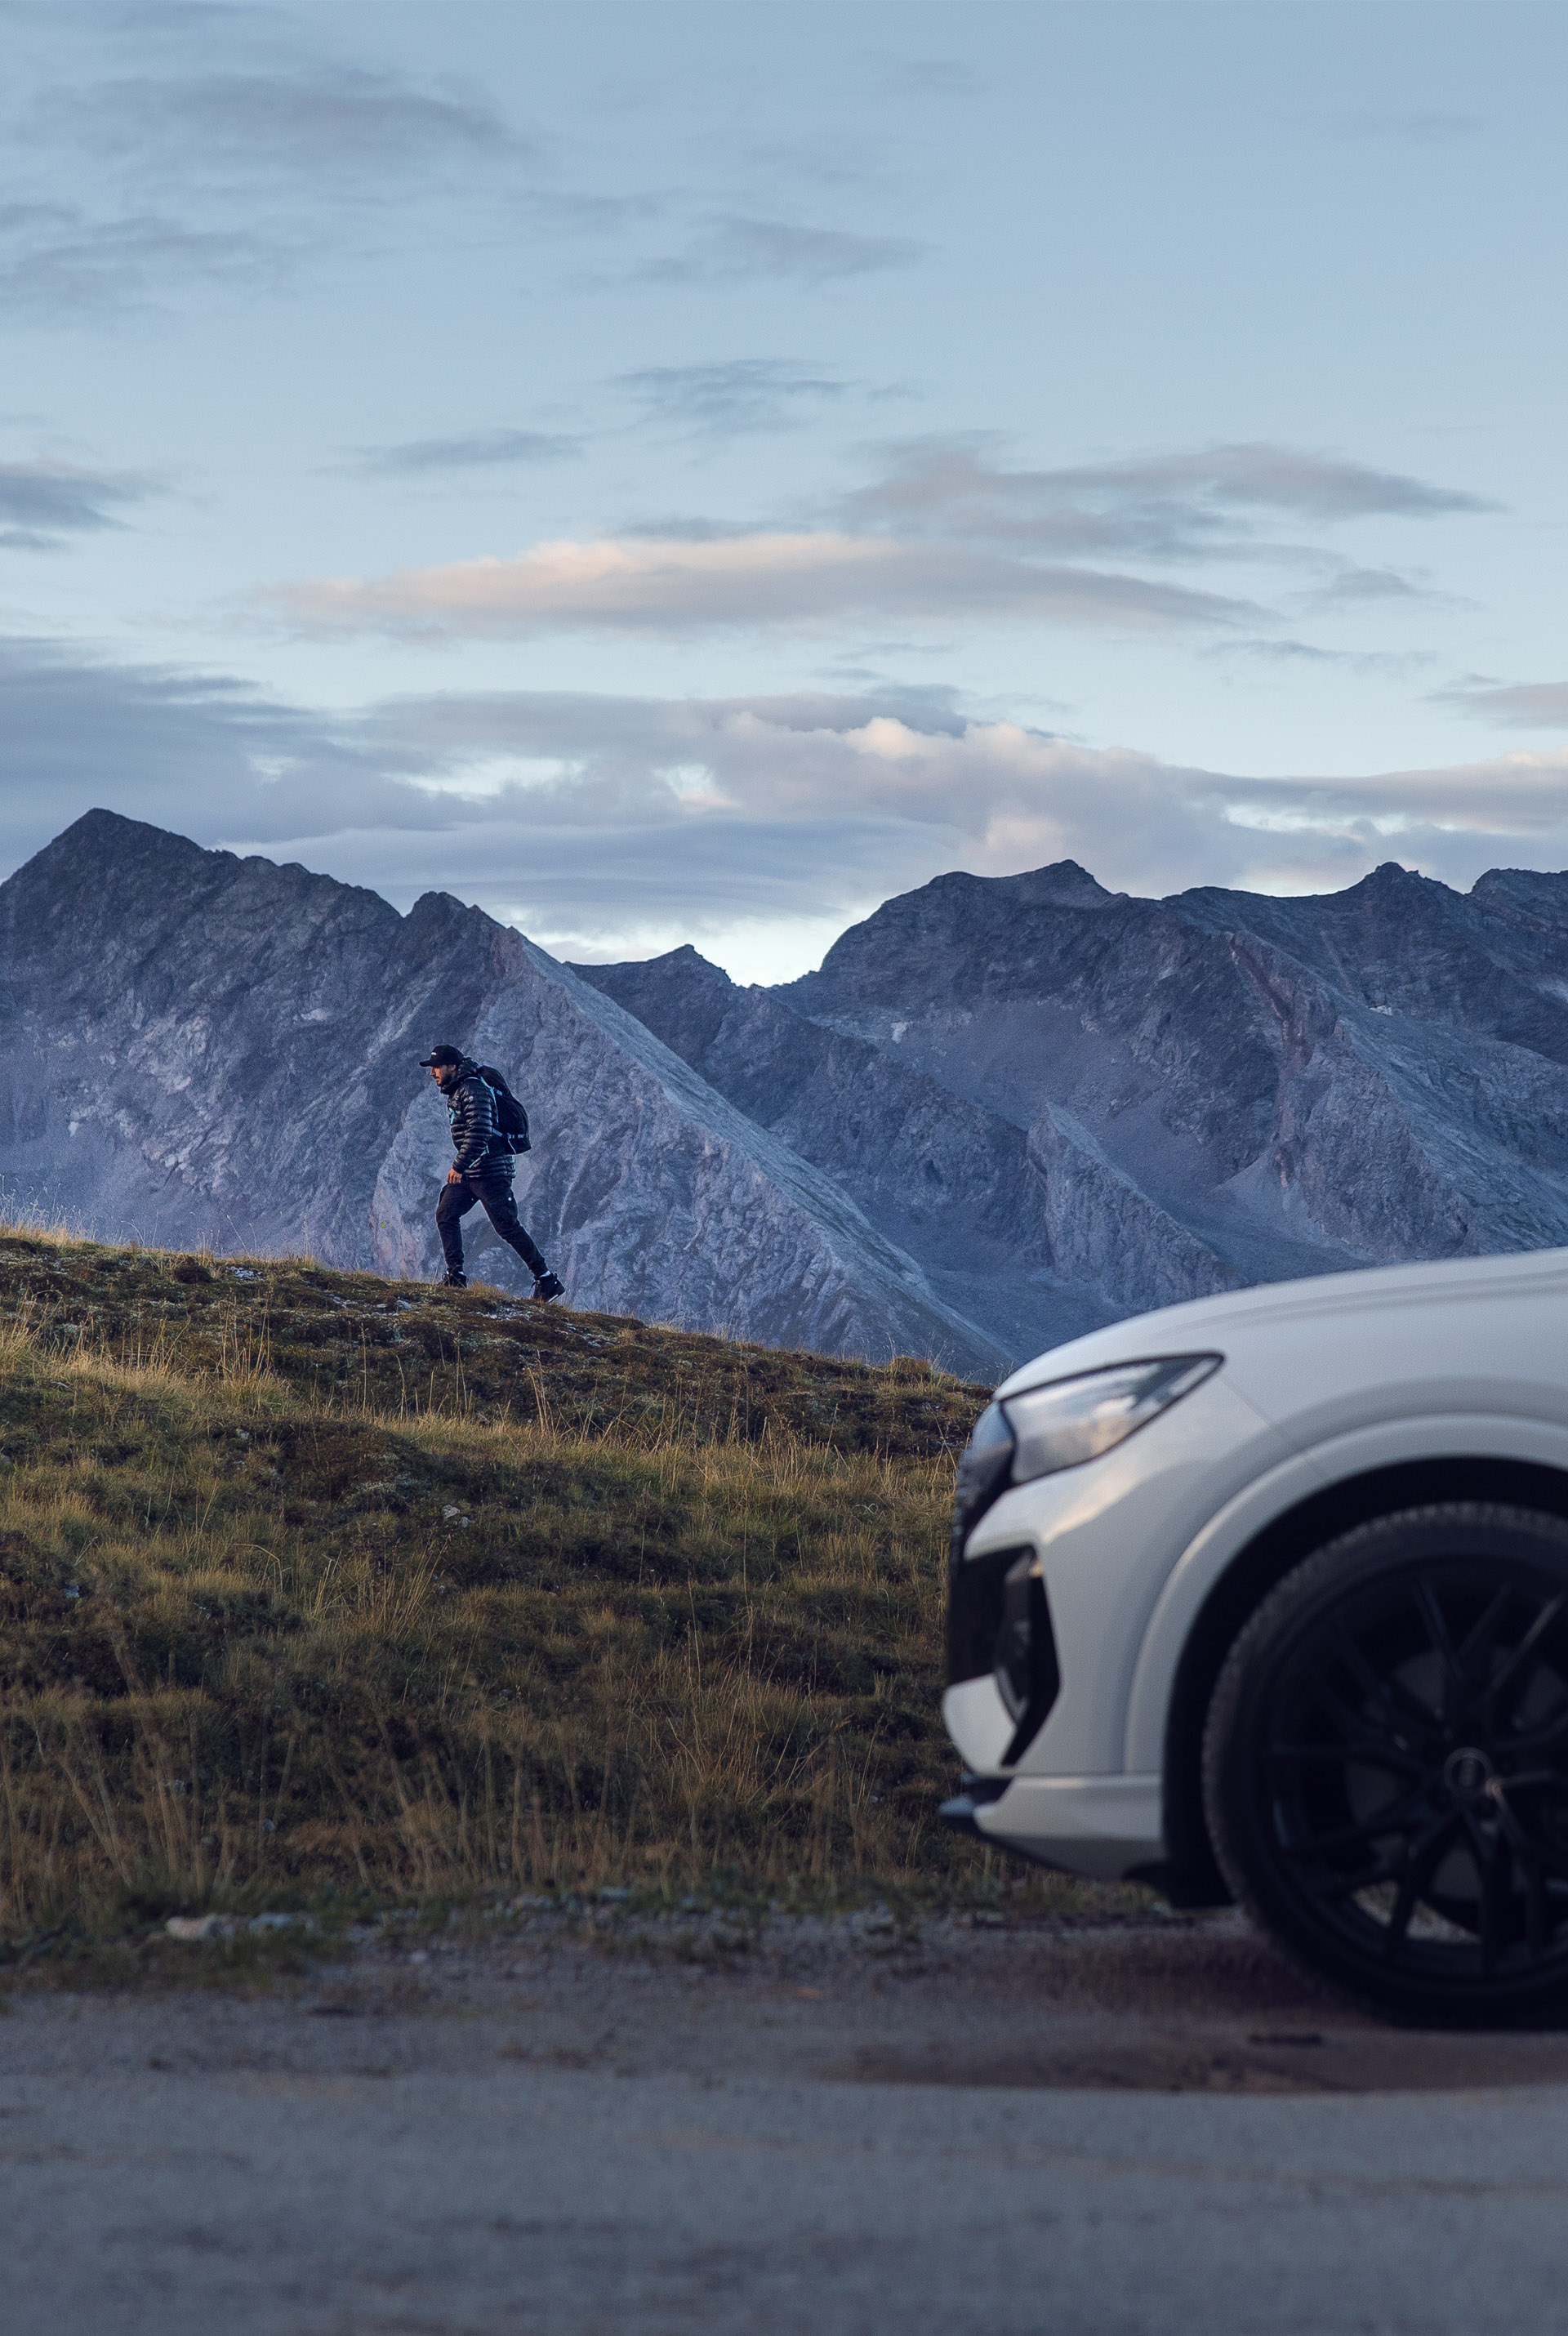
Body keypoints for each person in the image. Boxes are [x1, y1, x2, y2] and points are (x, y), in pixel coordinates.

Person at [419, 1045, 564, 1300]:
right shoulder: (461, 1089)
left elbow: (480, 1132)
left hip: (490, 1171)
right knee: (446, 1213)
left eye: (437, 1067)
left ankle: (546, 1279)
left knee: (506, 1226)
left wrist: (458, 1167)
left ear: (452, 1066)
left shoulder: (472, 1089)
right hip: (473, 1171)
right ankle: (455, 1277)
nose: (432, 1073)